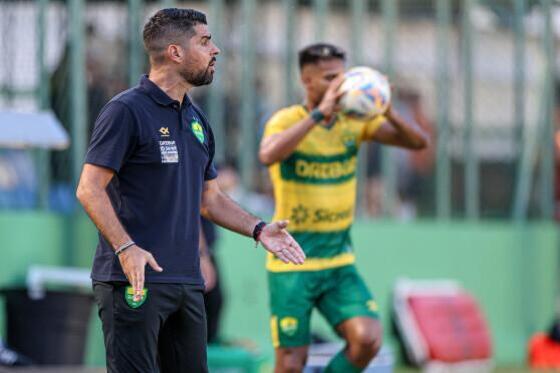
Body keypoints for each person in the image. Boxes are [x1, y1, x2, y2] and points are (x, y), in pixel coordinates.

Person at [76, 8, 305, 373]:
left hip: (186, 281)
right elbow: (89, 189)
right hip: (133, 280)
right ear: (175, 52)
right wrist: (126, 247)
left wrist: (259, 229)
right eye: (204, 41)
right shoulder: (126, 110)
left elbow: (209, 199)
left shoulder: (196, 119)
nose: (216, 50)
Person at [259, 43, 428, 372]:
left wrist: (388, 110)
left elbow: (417, 143)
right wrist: (318, 114)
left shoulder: (353, 121)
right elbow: (268, 155)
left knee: (367, 338)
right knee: (292, 363)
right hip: (293, 262)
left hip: (338, 261)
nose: (342, 85)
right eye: (331, 78)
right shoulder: (287, 120)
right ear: (308, 81)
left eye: (344, 76)